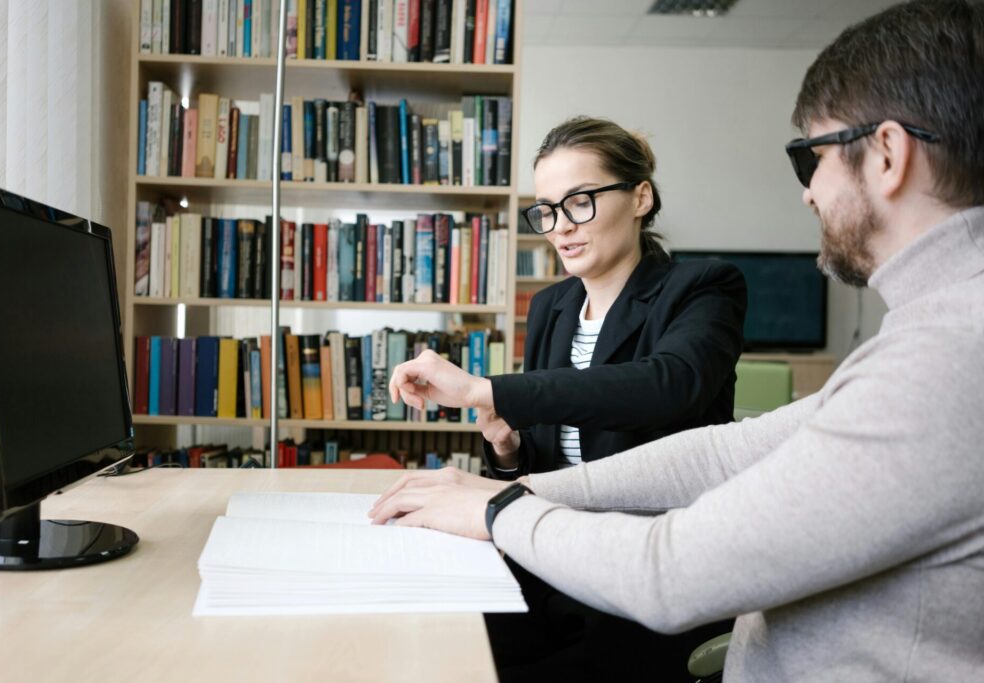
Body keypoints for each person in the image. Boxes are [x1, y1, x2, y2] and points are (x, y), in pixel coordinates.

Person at [370, 1, 984, 680]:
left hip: (639, 601)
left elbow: (667, 559)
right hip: (575, 569)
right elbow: (727, 449)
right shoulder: (929, 334)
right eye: (549, 209)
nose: (808, 194)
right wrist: (510, 479)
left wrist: (498, 497)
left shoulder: (944, 356)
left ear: (889, 154)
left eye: (810, 159)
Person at [386, 116, 747, 680]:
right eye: (548, 210)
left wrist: (485, 387)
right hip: (551, 553)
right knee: (448, 646)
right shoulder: (552, 305)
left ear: (640, 197)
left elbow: (668, 386)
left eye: (580, 202)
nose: (560, 228)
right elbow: (552, 456)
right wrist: (508, 451)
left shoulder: (701, 287)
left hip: (646, 571)